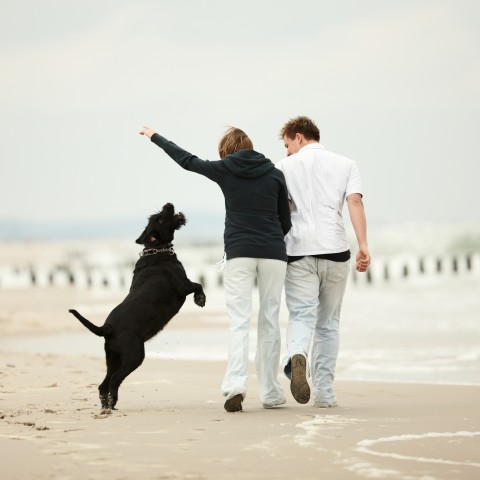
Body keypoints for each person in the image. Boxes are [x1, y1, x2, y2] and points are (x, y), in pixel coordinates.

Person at [139, 125, 291, 412]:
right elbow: (286, 221)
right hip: (273, 254)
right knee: (270, 320)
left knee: (239, 321)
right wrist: (270, 240)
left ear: (227, 151)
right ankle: (271, 393)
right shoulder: (275, 174)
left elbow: (187, 160)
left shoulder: (225, 169)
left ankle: (235, 386)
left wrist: (155, 136)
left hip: (239, 254)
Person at [275, 116, 371, 408]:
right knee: (328, 325)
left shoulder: (282, 168)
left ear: (299, 137)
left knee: (302, 316)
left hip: (298, 252)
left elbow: (278, 209)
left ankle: (297, 356)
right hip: (336, 251)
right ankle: (325, 394)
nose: (287, 151)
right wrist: (363, 245)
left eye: (287, 144)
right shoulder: (346, 164)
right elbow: (355, 202)